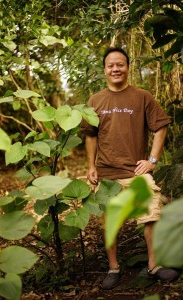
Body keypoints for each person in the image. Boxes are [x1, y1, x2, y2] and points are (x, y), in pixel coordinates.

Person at [82, 47, 179, 290]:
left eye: (120, 64)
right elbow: (90, 136)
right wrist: (90, 166)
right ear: (104, 69)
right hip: (106, 175)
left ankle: (154, 265)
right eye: (110, 65)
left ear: (127, 67)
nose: (115, 68)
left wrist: (152, 160)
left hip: (137, 174)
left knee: (152, 215)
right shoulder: (95, 100)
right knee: (109, 224)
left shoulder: (142, 96)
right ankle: (113, 268)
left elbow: (161, 127)